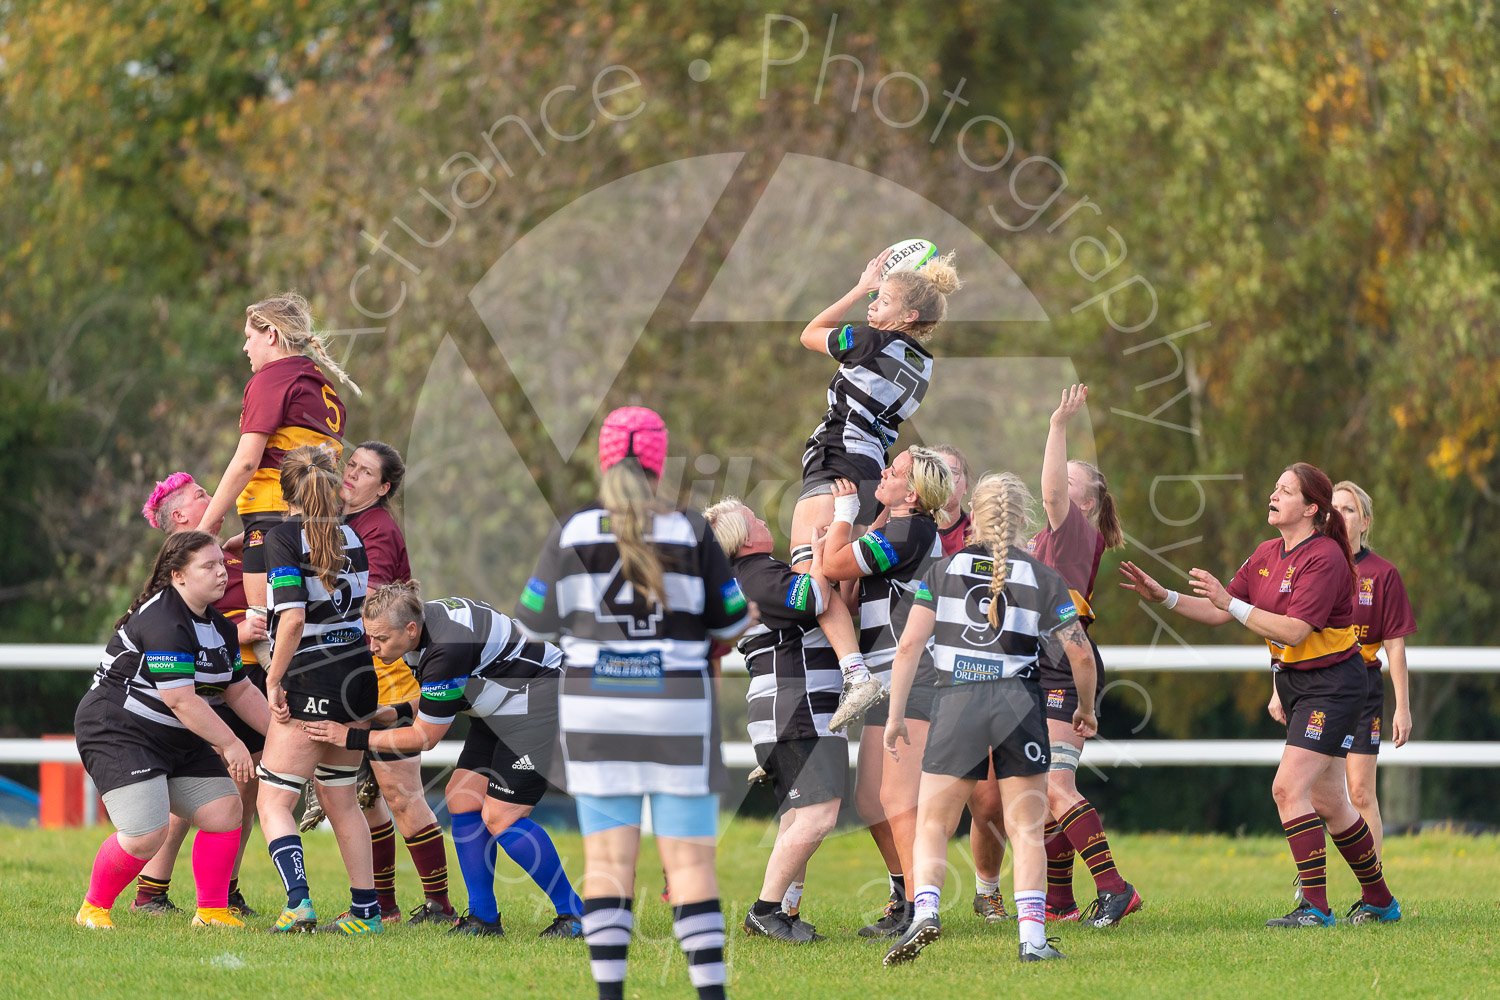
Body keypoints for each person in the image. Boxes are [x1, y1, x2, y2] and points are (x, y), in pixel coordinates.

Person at [514, 406, 752, 1000]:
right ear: (657, 461)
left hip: (596, 711)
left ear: (603, 458)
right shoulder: (691, 530)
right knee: (692, 868)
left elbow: (534, 621)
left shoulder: (573, 532)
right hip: (676, 709)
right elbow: (734, 620)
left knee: (608, 866)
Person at [1120, 461, 1402, 927]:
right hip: (1299, 686)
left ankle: (1314, 908)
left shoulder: (1326, 556)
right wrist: (1164, 596)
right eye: (1275, 488)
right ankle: (1381, 901)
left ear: (1312, 508)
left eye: (1285, 491)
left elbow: (1293, 630)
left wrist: (1230, 602)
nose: (1273, 495)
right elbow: (1219, 611)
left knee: (1287, 789)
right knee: (1331, 802)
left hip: (1333, 686)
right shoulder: (1267, 552)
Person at [881, 472, 1098, 966]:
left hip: (957, 701)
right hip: (1019, 703)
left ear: (973, 516)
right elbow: (1080, 657)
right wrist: (1086, 709)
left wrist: (895, 716)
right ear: (1026, 521)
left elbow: (909, 646)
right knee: (1024, 830)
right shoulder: (1045, 579)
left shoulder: (942, 570)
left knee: (934, 823)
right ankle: (1032, 939)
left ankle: (925, 915)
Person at [304, 582, 584, 938]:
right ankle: (484, 918)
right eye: (369, 637)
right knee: (462, 798)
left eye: (380, 639)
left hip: (538, 698)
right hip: (501, 701)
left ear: (409, 629)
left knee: (503, 817)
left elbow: (425, 738)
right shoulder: (418, 628)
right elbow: (450, 691)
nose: (373, 648)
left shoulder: (445, 646)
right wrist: (400, 710)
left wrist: (351, 738)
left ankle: (576, 915)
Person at [787, 248, 962, 720]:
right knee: (839, 578)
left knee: (811, 574)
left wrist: (856, 287)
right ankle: (849, 677)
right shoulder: (924, 365)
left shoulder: (870, 341)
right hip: (870, 469)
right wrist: (875, 292)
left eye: (881, 301)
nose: (871, 307)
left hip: (837, 459)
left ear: (908, 314)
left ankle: (853, 677)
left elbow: (808, 334)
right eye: (873, 299)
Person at [73, 530, 270, 930]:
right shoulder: (163, 617)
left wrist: (287, 737)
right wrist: (231, 744)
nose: (222, 572)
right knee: (147, 834)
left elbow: (240, 690)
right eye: (209, 566)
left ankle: (212, 912)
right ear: (178, 576)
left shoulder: (220, 627)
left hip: (173, 735)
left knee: (225, 811)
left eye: (222, 563)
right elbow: (181, 699)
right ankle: (93, 909)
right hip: (119, 731)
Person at [818, 447, 952, 939]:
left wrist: (843, 516)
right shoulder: (899, 527)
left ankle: (922, 911)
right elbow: (852, 592)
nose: (882, 472)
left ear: (912, 494)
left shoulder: (907, 531)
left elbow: (832, 566)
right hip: (886, 677)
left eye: (892, 472)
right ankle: (905, 898)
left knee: (897, 800)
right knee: (872, 802)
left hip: (914, 677)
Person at [704, 499, 851, 944]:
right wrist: (822, 552)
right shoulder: (758, 574)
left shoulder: (751, 575)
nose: (764, 519)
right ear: (742, 536)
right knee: (818, 817)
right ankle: (765, 912)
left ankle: (783, 913)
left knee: (796, 817)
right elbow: (814, 597)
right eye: (755, 518)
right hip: (795, 708)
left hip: (785, 711)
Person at [129, 474, 271, 918]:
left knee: (240, 790)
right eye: (201, 495)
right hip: (201, 692)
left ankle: (223, 889)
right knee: (192, 794)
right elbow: (198, 631)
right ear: (179, 517)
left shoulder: (224, 554)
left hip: (239, 683)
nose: (215, 496)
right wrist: (245, 630)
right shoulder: (179, 575)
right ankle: (151, 890)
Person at [254, 445, 381, 935]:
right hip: (358, 674)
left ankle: (299, 902)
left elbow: (292, 619)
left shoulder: (284, 538)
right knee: (340, 797)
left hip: (312, 675)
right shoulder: (353, 534)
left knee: (274, 800)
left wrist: (273, 677)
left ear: (286, 491)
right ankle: (366, 913)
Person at [196, 292, 361, 668]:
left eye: (249, 336)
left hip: (272, 514)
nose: (244, 346)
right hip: (317, 521)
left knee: (265, 638)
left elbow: (246, 462)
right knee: (310, 634)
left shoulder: (272, 378)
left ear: (271, 334)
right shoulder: (324, 387)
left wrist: (206, 528)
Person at [1030, 385, 1141, 926]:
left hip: (1062, 660)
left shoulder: (1073, 528)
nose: (1055, 484)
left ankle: (1115, 888)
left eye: (1070, 481)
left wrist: (1058, 426)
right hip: (1042, 660)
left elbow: (1051, 495)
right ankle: (1060, 902)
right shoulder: (1050, 537)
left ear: (1088, 503)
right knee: (1044, 790)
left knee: (1055, 785)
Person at [336, 441, 454, 924]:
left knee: (401, 793)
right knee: (367, 798)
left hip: (387, 671)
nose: (352, 474)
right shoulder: (346, 522)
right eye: (351, 465)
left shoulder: (377, 529)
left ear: (383, 488)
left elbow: (376, 605)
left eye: (365, 472)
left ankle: (439, 906)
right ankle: (382, 906)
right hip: (361, 668)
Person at [932, 446, 1012, 924]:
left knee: (989, 798)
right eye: (936, 472)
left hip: (978, 676)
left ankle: (987, 890)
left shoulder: (980, 536)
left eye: (953, 472)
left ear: (965, 485)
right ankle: (908, 898)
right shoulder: (902, 530)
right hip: (923, 677)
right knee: (914, 801)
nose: (945, 481)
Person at [1324, 481, 1416, 853]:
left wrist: (1403, 708)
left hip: (1362, 689)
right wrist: (1276, 688)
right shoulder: (1315, 565)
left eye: (1348, 509)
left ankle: (1375, 893)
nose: (1339, 516)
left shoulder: (1383, 574)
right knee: (1316, 795)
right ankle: (1312, 891)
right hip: (1320, 686)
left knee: (1360, 792)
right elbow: (1291, 633)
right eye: (1334, 509)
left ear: (1365, 522)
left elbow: (1395, 647)